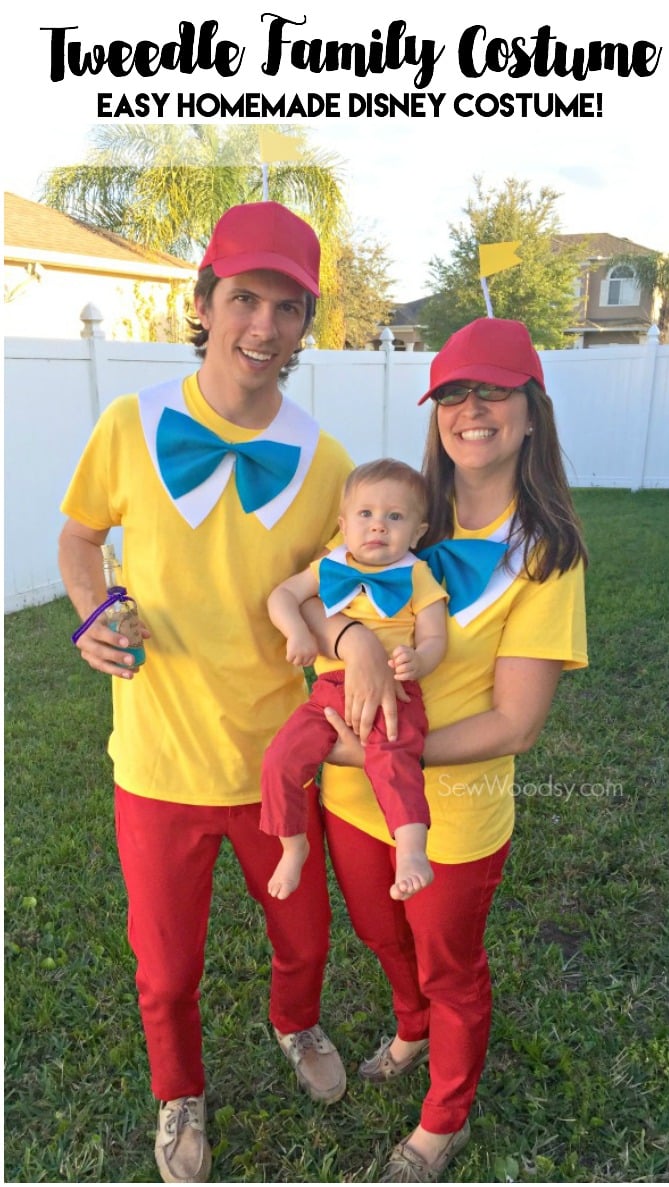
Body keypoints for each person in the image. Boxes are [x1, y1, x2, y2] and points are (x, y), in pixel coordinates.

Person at [58, 201, 353, 1184]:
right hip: (156, 761)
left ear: (305, 324)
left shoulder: (327, 463)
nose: (262, 325)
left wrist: (334, 644)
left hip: (278, 761)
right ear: (203, 301)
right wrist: (94, 610)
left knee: (304, 938)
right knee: (168, 966)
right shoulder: (132, 424)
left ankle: (294, 1021)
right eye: (244, 298)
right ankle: (178, 1091)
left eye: (286, 306)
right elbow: (77, 533)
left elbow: (339, 596)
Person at [315, 317, 589, 1182]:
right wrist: (353, 636)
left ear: (531, 411)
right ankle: (408, 1023)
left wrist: (381, 756)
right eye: (454, 394)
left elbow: (516, 724)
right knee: (378, 931)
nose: (473, 410)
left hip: (451, 817)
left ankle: (445, 1117)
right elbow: (317, 596)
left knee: (450, 964)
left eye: (494, 391)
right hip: (349, 800)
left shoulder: (545, 556)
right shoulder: (400, 511)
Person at [261, 459, 449, 903]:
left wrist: (419, 659)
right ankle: (293, 844)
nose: (378, 526)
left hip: (395, 695)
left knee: (395, 758)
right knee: (280, 758)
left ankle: (411, 851)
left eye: (395, 517)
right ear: (344, 524)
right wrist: (297, 631)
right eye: (365, 514)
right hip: (329, 695)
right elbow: (282, 596)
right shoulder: (330, 564)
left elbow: (436, 635)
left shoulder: (416, 574)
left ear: (418, 532)